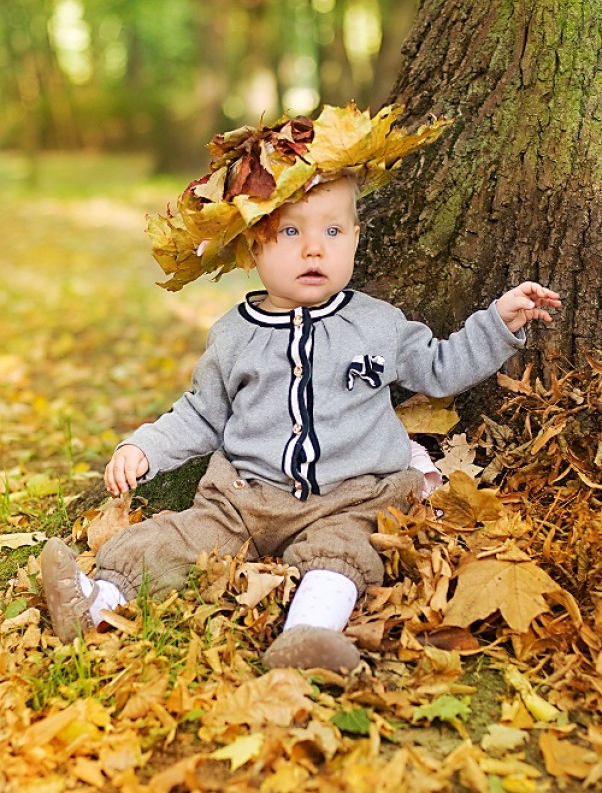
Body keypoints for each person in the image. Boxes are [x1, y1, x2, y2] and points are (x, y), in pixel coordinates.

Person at [40, 105, 561, 672]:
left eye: (333, 232)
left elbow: (439, 368)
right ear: (252, 246)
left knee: (342, 551)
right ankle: (95, 602)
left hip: (351, 494)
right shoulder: (234, 333)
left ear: (356, 239)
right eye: (290, 232)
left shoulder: (379, 322)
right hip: (243, 495)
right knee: (170, 539)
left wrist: (497, 324)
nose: (315, 249)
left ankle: (308, 633)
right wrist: (145, 447)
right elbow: (202, 413)